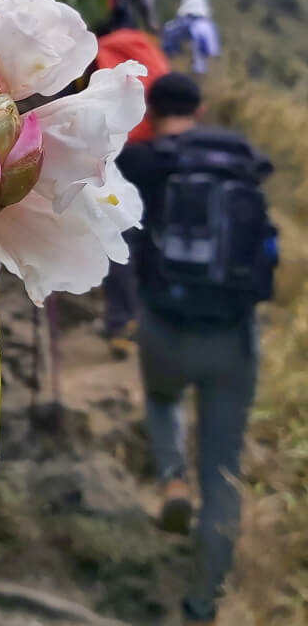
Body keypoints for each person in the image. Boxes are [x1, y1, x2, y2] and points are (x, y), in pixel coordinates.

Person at [117, 73, 278, 625]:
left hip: (163, 325)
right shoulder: (241, 157)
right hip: (231, 339)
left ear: (152, 110)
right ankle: (203, 601)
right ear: (201, 107)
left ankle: (170, 479)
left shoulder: (141, 160)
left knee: (162, 401)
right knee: (223, 469)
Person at [94, 0, 170, 354]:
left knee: (120, 234)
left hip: (119, 153)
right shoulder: (142, 44)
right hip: (157, 151)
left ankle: (121, 321)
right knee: (146, 234)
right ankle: (150, 316)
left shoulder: (97, 48)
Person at [162, 0, 221, 75]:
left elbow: (164, 48)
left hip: (171, 69)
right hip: (199, 70)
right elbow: (212, 51)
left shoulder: (171, 25)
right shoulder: (207, 26)